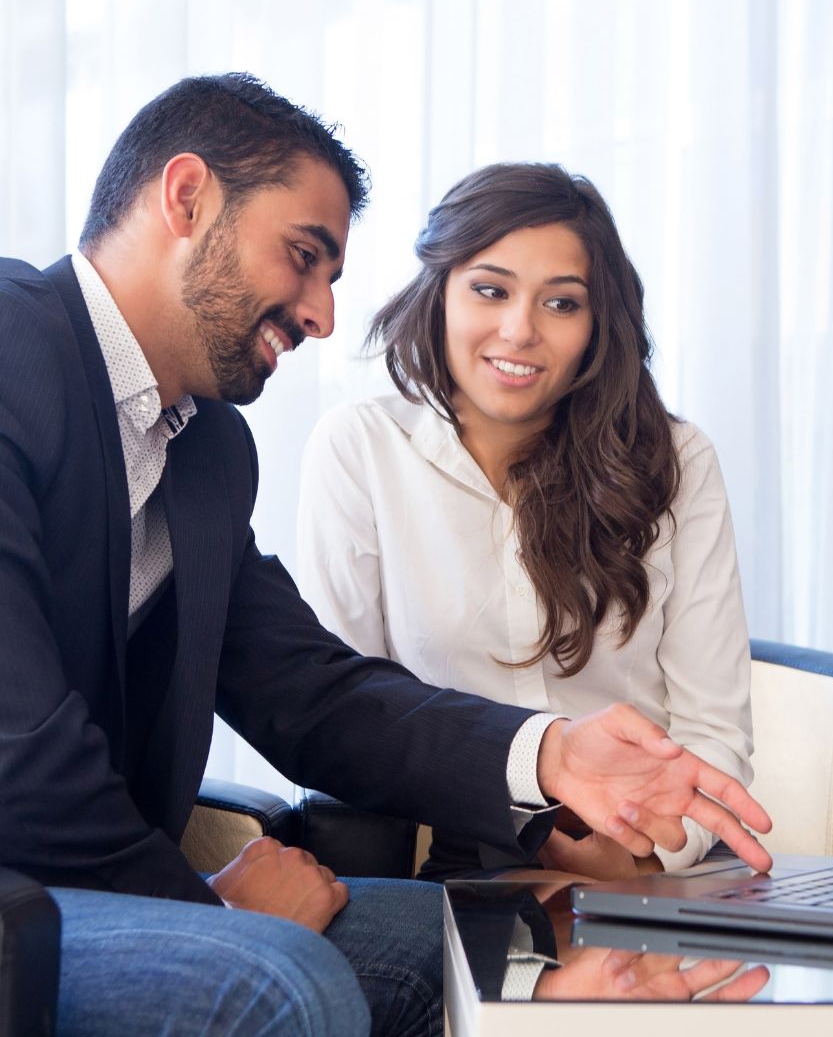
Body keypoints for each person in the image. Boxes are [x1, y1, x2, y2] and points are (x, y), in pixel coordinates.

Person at [0, 74, 772, 1036]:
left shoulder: (201, 450)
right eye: (305, 256)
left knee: (488, 943)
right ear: (187, 197)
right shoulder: (11, 347)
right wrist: (209, 912)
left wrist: (550, 756)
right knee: (283, 980)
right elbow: (16, 747)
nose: (322, 313)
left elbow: (311, 692)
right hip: (22, 907)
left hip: (104, 892)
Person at [297, 163, 755, 882]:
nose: (520, 331)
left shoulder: (678, 460)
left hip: (647, 848)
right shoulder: (359, 449)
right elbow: (339, 717)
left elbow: (713, 726)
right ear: (440, 291)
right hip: (457, 853)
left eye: (562, 304)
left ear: (599, 323)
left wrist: (647, 849)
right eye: (490, 290)